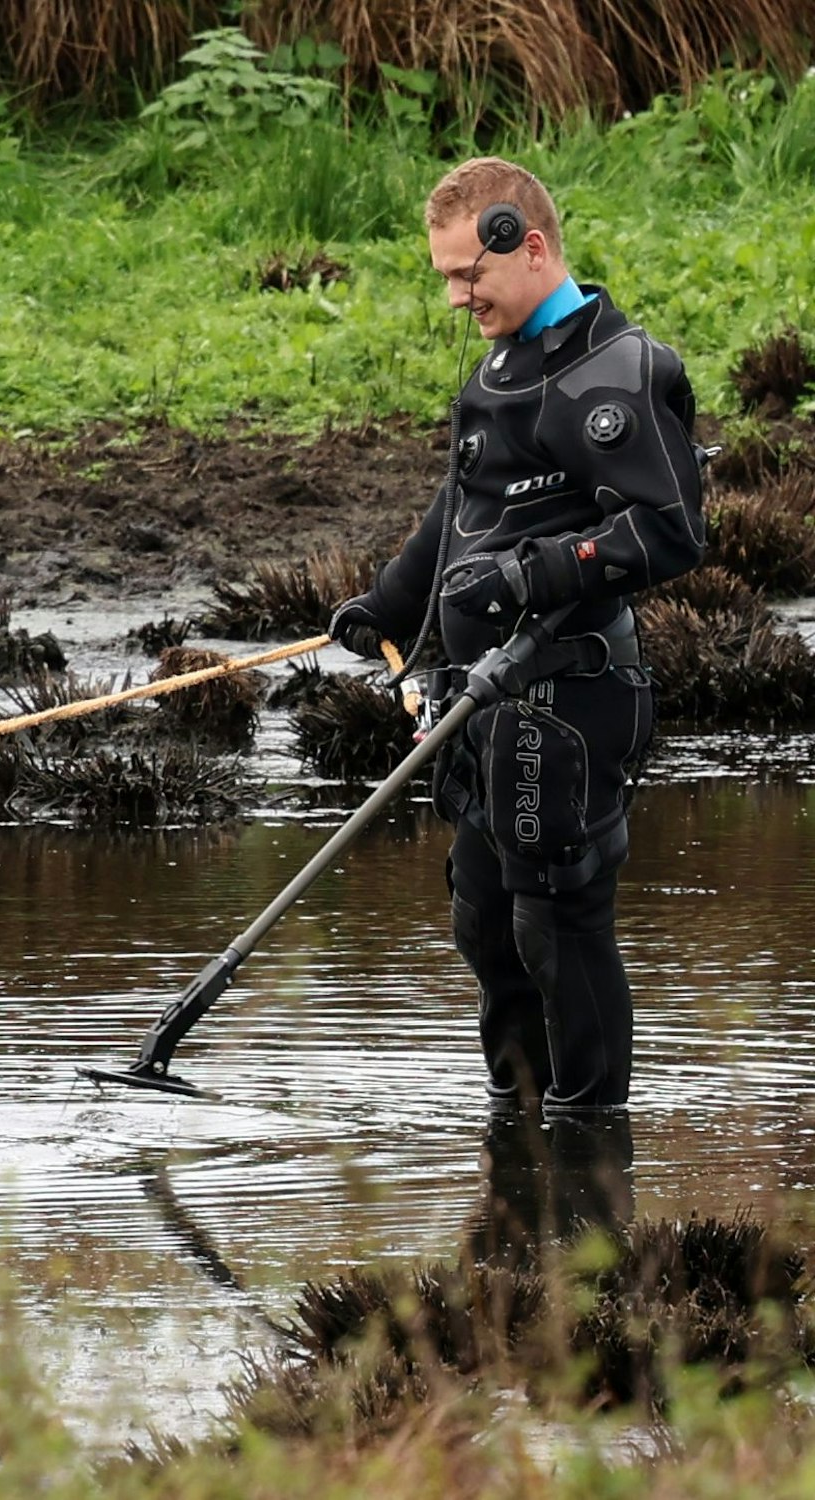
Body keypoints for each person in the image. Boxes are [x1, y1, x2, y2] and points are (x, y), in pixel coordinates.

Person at [330, 158, 705, 1115]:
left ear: (528, 247)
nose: (458, 297)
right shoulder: (502, 366)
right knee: (485, 920)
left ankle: (589, 1145)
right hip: (477, 697)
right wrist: (390, 602)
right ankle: (517, 1135)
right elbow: (466, 503)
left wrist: (530, 577)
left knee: (555, 923)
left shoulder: (614, 372)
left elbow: (670, 531)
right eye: (447, 277)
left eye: (470, 277)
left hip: (568, 698)